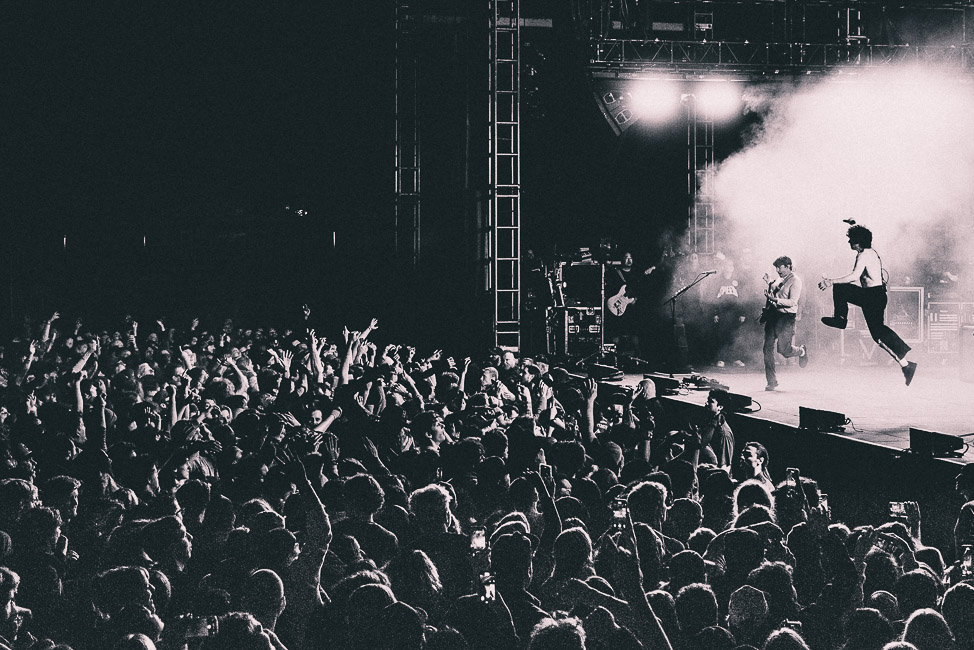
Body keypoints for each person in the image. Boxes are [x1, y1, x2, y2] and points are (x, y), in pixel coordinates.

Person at [818, 224, 917, 386]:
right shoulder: (870, 253)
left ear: (858, 241)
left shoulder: (864, 255)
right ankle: (906, 365)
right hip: (872, 296)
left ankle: (841, 319)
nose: (849, 242)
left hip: (873, 296)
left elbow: (855, 276)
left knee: (878, 335)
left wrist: (830, 281)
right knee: (878, 335)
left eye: (851, 239)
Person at [761, 256, 808, 391]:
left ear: (788, 267)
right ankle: (772, 381)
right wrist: (769, 282)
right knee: (767, 348)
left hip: (786, 318)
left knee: (783, 350)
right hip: (774, 316)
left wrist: (774, 300)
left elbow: (793, 302)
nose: (777, 270)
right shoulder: (780, 278)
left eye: (780, 267)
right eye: (776, 268)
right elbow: (776, 287)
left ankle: (801, 351)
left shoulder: (796, 281)